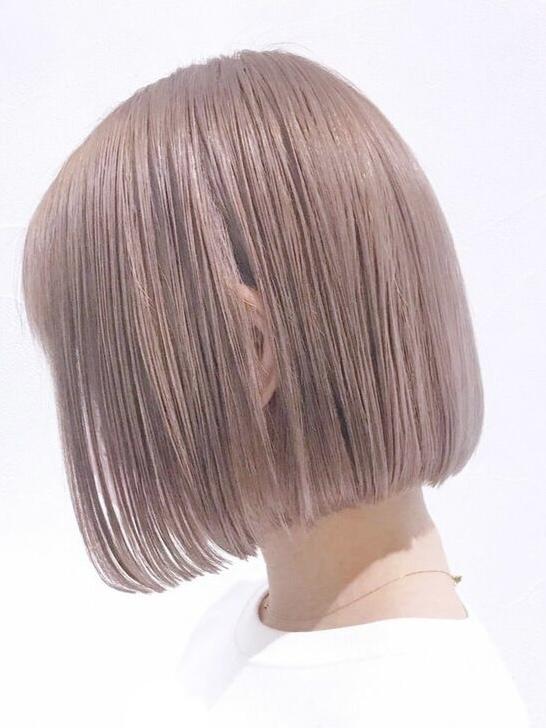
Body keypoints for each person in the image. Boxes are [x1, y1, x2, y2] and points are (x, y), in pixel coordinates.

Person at [21, 49, 530, 726]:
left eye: (108, 368)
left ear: (247, 349)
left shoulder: (426, 707)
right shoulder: (243, 621)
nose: (101, 419)